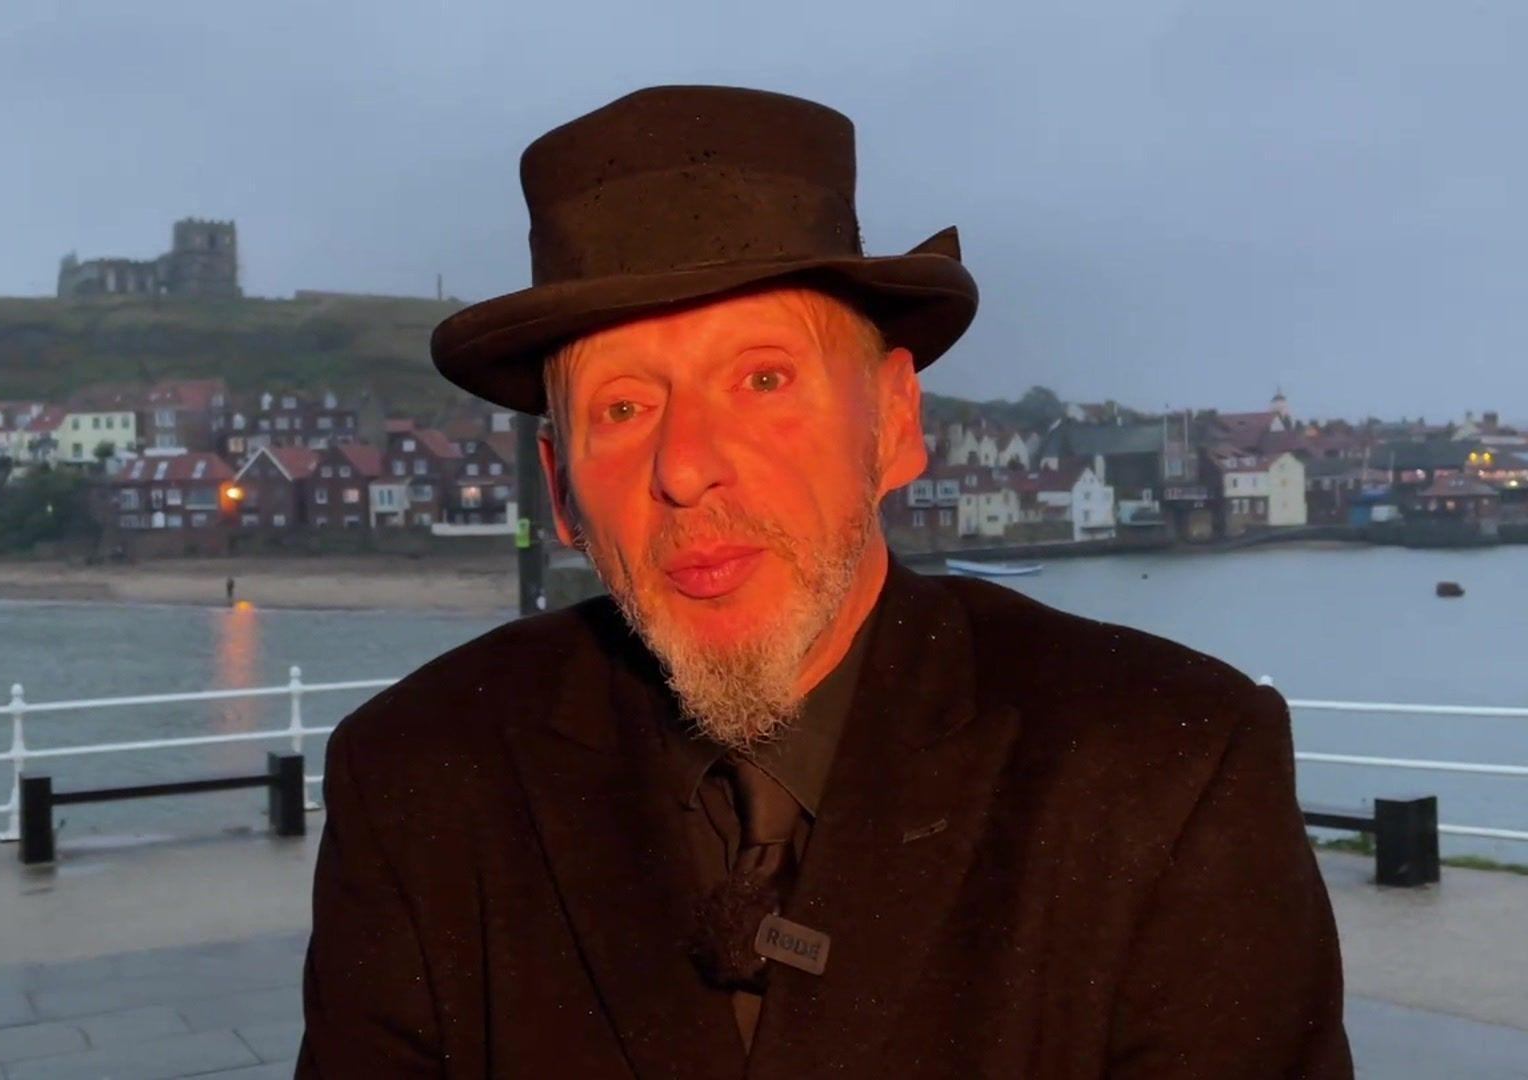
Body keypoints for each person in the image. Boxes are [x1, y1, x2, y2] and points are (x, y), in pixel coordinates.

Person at [297, 86, 1350, 1077]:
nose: (685, 467)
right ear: (563, 490)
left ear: (894, 424)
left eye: (763, 380)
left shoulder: (1168, 769)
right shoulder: (418, 780)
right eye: (622, 408)